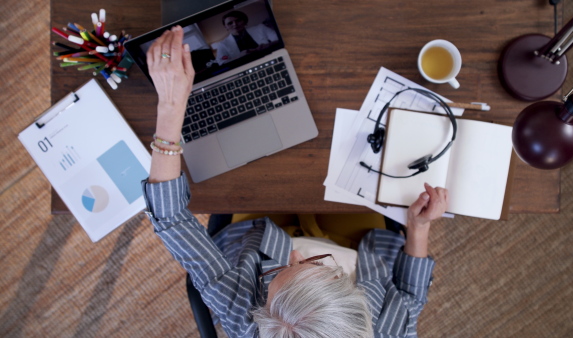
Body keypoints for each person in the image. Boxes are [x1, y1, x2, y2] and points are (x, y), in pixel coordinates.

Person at [142, 26, 449, 338]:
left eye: (278, 272)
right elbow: (409, 299)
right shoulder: (389, 332)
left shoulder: (245, 318)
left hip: (257, 232)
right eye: (317, 264)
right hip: (361, 241)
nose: (293, 255)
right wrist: (419, 227)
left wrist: (169, 105)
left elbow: (171, 219)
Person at [211, 10, 279, 65]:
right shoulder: (222, 44)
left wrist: (268, 45)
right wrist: (239, 57)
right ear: (225, 27)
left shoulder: (261, 28)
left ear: (245, 22)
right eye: (230, 23)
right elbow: (221, 62)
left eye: (238, 20)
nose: (235, 24)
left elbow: (279, 38)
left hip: (268, 60)